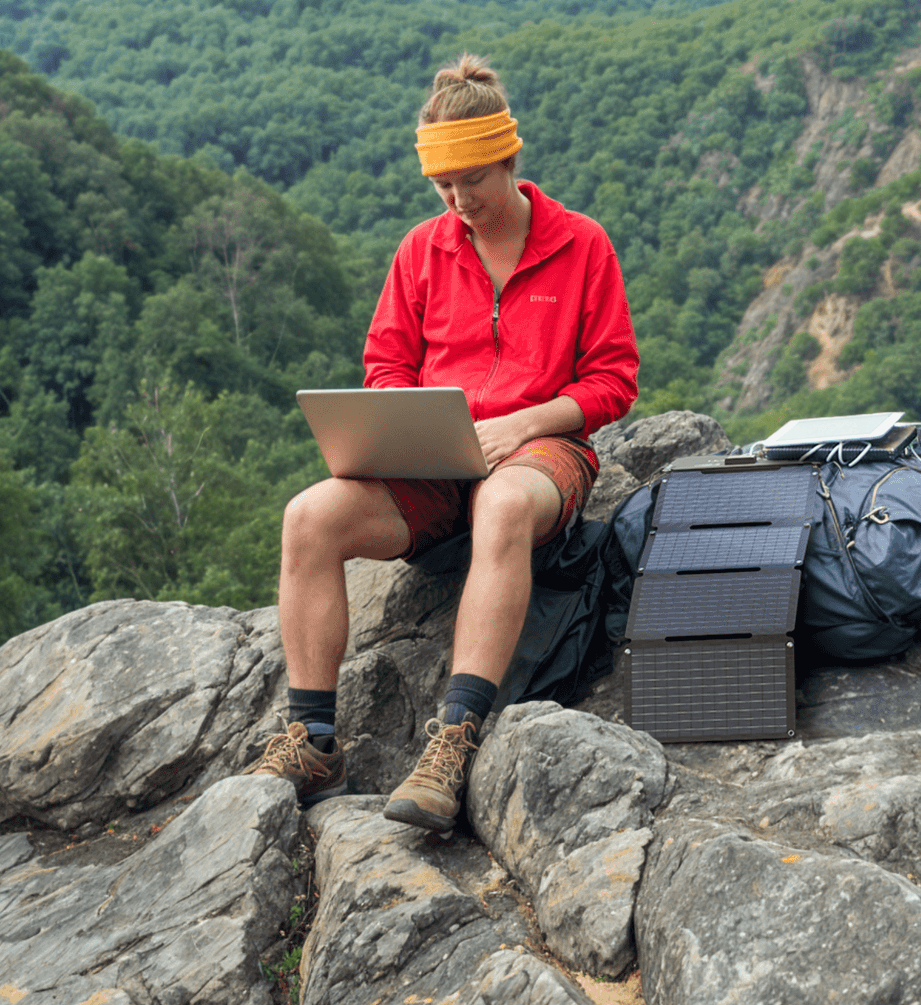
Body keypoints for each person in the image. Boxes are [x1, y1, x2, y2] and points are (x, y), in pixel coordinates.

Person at [241, 54, 638, 832]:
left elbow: (614, 380)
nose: (457, 202)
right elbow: (385, 364)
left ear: (508, 159)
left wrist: (526, 422)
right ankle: (314, 740)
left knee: (501, 505)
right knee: (308, 518)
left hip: (538, 454)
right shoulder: (421, 251)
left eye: (472, 182)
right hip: (432, 465)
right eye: (442, 187)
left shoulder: (582, 244)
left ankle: (454, 738)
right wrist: (411, 426)